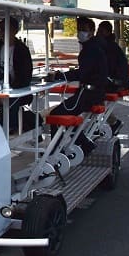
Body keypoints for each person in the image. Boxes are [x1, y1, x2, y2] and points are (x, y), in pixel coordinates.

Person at [47, 16, 108, 153]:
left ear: (92, 31)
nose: (80, 32)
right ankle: (85, 144)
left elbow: (82, 73)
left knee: (56, 114)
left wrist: (59, 75)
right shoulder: (94, 47)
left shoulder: (90, 49)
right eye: (79, 29)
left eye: (84, 30)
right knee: (69, 114)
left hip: (88, 94)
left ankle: (54, 152)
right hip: (94, 93)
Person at [0, 17, 35, 134]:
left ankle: (8, 129)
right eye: (1, 29)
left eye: (6, 29)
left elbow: (25, 76)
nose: (3, 33)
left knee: (11, 100)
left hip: (16, 90)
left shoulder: (22, 50)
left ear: (15, 31)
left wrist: (10, 89)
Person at [96, 21, 129, 135]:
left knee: (92, 95)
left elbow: (107, 68)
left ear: (107, 32)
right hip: (117, 81)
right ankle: (111, 122)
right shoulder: (109, 45)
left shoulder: (108, 47)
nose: (98, 33)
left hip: (116, 82)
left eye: (101, 31)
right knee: (93, 96)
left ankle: (111, 122)